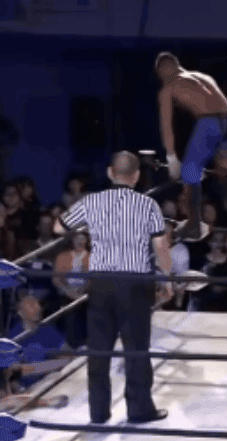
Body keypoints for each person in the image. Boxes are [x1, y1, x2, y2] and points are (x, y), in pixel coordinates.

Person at [53, 151, 173, 424]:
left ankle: (98, 413)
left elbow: (59, 227)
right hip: (135, 284)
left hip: (102, 284)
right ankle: (139, 410)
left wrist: (91, 226)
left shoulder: (91, 202)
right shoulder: (148, 205)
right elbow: (161, 247)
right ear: (137, 176)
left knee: (99, 350)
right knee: (136, 351)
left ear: (110, 173)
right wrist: (166, 279)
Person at [155, 51, 227, 240]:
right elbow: (225, 106)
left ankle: (194, 225)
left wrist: (171, 157)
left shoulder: (169, 87)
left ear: (162, 71)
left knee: (189, 170)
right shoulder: (202, 77)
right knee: (224, 172)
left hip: (209, 122)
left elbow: (166, 126)